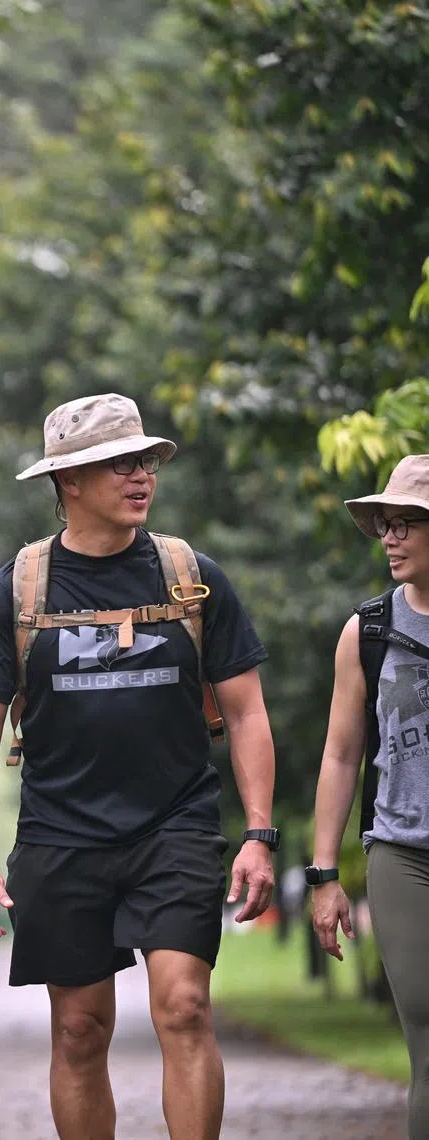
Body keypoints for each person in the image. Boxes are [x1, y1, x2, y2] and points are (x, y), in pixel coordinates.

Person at [0, 393, 277, 1140]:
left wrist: (259, 833)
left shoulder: (191, 577)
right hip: (60, 833)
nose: (141, 476)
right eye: (119, 464)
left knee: (185, 1007)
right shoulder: (16, 590)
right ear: (68, 481)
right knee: (79, 1029)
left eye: (145, 462)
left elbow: (248, 713)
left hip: (175, 825)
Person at [310, 454, 429, 1139]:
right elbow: (340, 754)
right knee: (427, 1034)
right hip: (404, 855)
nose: (390, 537)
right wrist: (324, 875)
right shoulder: (370, 630)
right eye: (386, 524)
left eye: (407, 523)